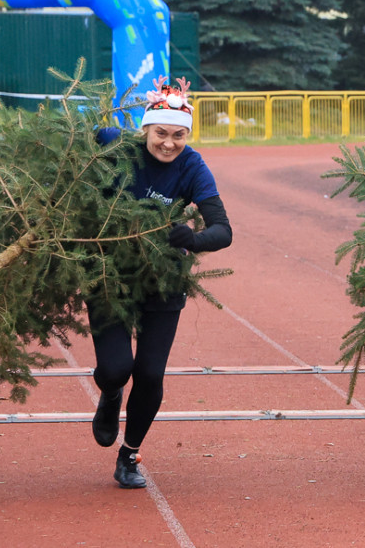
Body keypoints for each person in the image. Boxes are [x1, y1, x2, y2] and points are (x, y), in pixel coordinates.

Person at [90, 76, 233, 488]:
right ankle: (111, 393)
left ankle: (129, 455)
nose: (168, 143)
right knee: (116, 369)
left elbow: (223, 229)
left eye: (178, 135)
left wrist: (193, 237)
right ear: (145, 130)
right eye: (161, 133)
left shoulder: (192, 166)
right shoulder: (118, 144)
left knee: (151, 374)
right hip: (109, 272)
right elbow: (69, 141)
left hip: (163, 275)